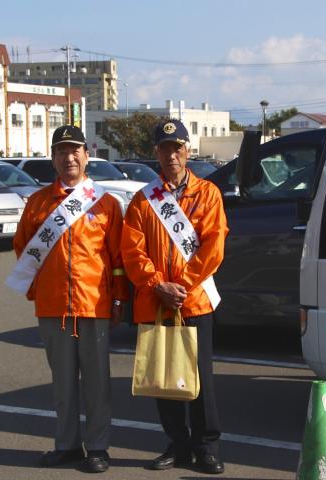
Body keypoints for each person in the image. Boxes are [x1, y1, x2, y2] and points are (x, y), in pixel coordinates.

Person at [9, 125, 127, 473]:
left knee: (97, 383)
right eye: (61, 151)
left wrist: (118, 300)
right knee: (62, 383)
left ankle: (99, 448)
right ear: (53, 158)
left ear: (87, 156)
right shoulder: (38, 202)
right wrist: (38, 292)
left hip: (94, 305)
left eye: (75, 150)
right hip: (54, 308)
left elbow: (118, 259)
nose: (69, 157)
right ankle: (67, 446)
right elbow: (23, 250)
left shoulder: (105, 203)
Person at [121, 119, 228, 474]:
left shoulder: (208, 193)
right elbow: (132, 252)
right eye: (165, 148)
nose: (172, 154)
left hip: (193, 300)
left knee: (200, 379)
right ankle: (178, 445)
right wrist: (157, 286)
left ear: (188, 150)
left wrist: (180, 284)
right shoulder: (143, 199)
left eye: (177, 147)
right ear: (157, 153)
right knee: (164, 379)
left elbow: (213, 247)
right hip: (158, 301)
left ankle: (207, 446)